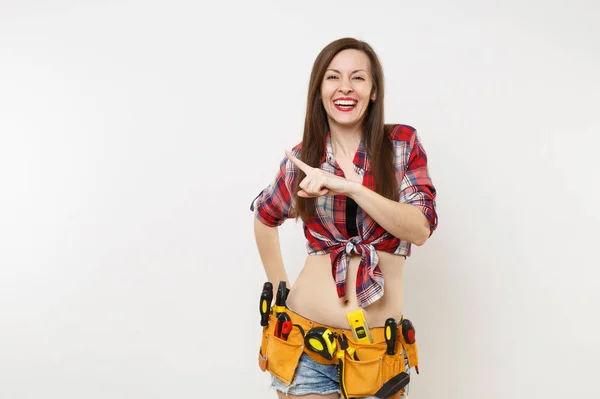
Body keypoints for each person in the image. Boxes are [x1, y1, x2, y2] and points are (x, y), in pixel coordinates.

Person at [251, 37, 438, 399]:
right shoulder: (304, 158)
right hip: (306, 344)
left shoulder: (401, 144)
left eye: (358, 78)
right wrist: (279, 289)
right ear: (319, 91)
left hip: (376, 355)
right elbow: (264, 216)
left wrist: (351, 188)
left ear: (373, 91)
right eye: (333, 77)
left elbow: (419, 229)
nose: (345, 88)